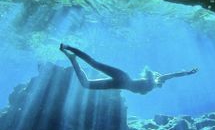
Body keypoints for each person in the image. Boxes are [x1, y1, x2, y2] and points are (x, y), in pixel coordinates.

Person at [60, 44, 198, 95]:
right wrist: (187, 73)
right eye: (162, 83)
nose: (162, 85)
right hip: (123, 78)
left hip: (118, 84)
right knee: (95, 64)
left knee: (86, 84)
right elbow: (172, 75)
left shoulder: (153, 86)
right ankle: (68, 47)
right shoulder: (156, 80)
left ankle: (72, 59)